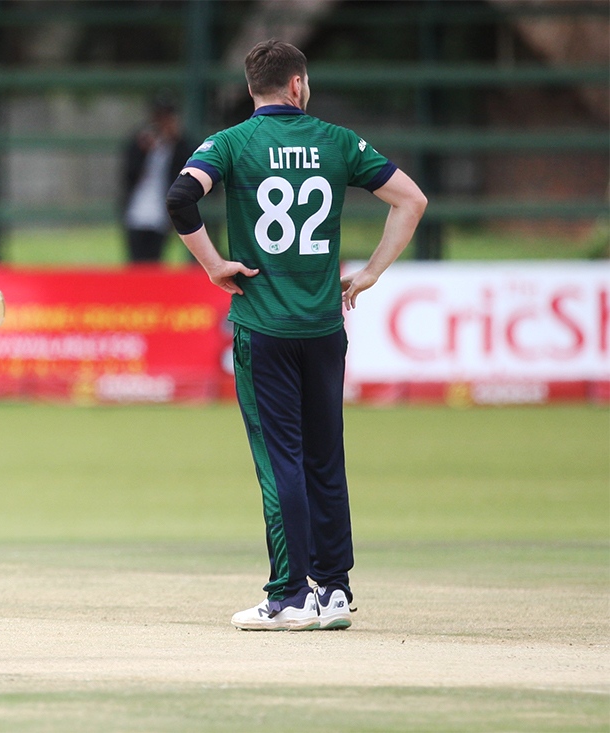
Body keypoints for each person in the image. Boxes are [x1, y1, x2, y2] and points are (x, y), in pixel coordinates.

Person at [165, 41, 427, 631]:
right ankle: (333, 590)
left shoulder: (231, 144)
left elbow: (181, 198)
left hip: (263, 327)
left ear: (254, 88)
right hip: (323, 328)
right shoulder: (338, 141)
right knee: (324, 458)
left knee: (279, 459)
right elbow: (411, 200)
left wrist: (212, 265)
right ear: (298, 86)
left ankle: (288, 595)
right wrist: (371, 273)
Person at [120, 92, 195, 263]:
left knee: (155, 261)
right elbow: (129, 173)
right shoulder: (140, 141)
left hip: (161, 213)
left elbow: (189, 166)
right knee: (136, 262)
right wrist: (144, 151)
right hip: (137, 212)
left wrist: (175, 139)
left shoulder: (179, 144)